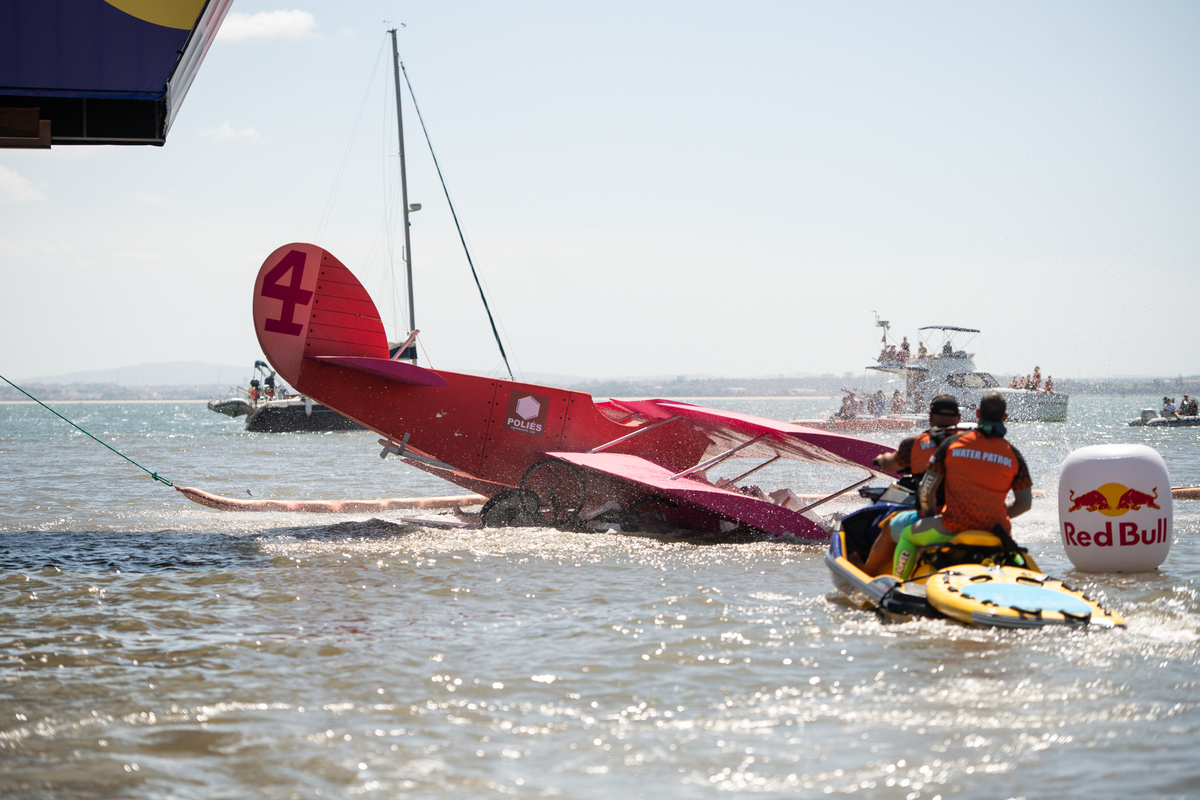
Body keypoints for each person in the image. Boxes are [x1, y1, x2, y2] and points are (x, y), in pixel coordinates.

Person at [863, 391, 1032, 580]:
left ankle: (897, 585)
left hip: (953, 524)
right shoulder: (1014, 454)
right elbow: (1024, 504)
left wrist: (930, 515)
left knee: (908, 535)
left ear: (977, 414)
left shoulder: (955, 444)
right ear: (1005, 417)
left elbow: (927, 488)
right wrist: (991, 515)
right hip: (996, 529)